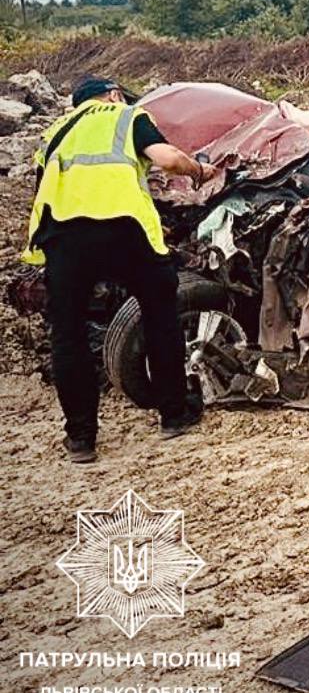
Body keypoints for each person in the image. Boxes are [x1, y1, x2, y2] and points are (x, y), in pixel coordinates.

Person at [22, 75, 217, 462]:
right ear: (112, 95)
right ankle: (174, 414)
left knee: (68, 335)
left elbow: (45, 187)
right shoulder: (126, 116)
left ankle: (81, 439)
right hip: (123, 229)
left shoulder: (55, 132)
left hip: (62, 237)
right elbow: (167, 159)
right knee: (160, 313)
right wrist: (198, 171)